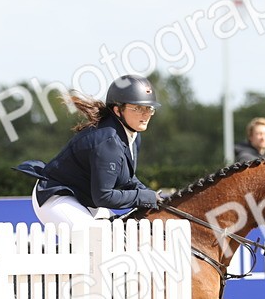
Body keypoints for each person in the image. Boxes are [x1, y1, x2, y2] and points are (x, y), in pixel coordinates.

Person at [17, 74, 166, 227]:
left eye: (149, 108)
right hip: (57, 197)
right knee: (96, 237)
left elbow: (127, 179)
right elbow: (104, 197)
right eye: (138, 108)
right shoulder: (108, 141)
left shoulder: (132, 135)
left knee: (120, 235)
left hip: (84, 197)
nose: (146, 114)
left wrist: (152, 195)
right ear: (117, 110)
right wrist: (143, 197)